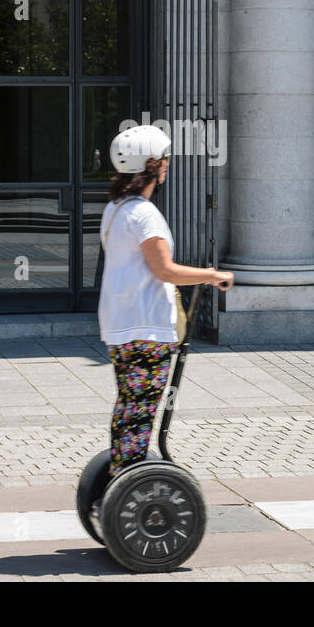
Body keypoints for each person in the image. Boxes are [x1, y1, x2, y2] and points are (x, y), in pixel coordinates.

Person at [98, 125, 233, 476]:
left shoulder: (116, 208)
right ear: (151, 163)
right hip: (145, 326)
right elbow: (165, 270)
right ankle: (131, 482)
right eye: (164, 158)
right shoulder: (142, 213)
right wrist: (212, 275)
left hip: (121, 324)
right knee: (141, 409)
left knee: (130, 404)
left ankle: (121, 472)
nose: (168, 164)